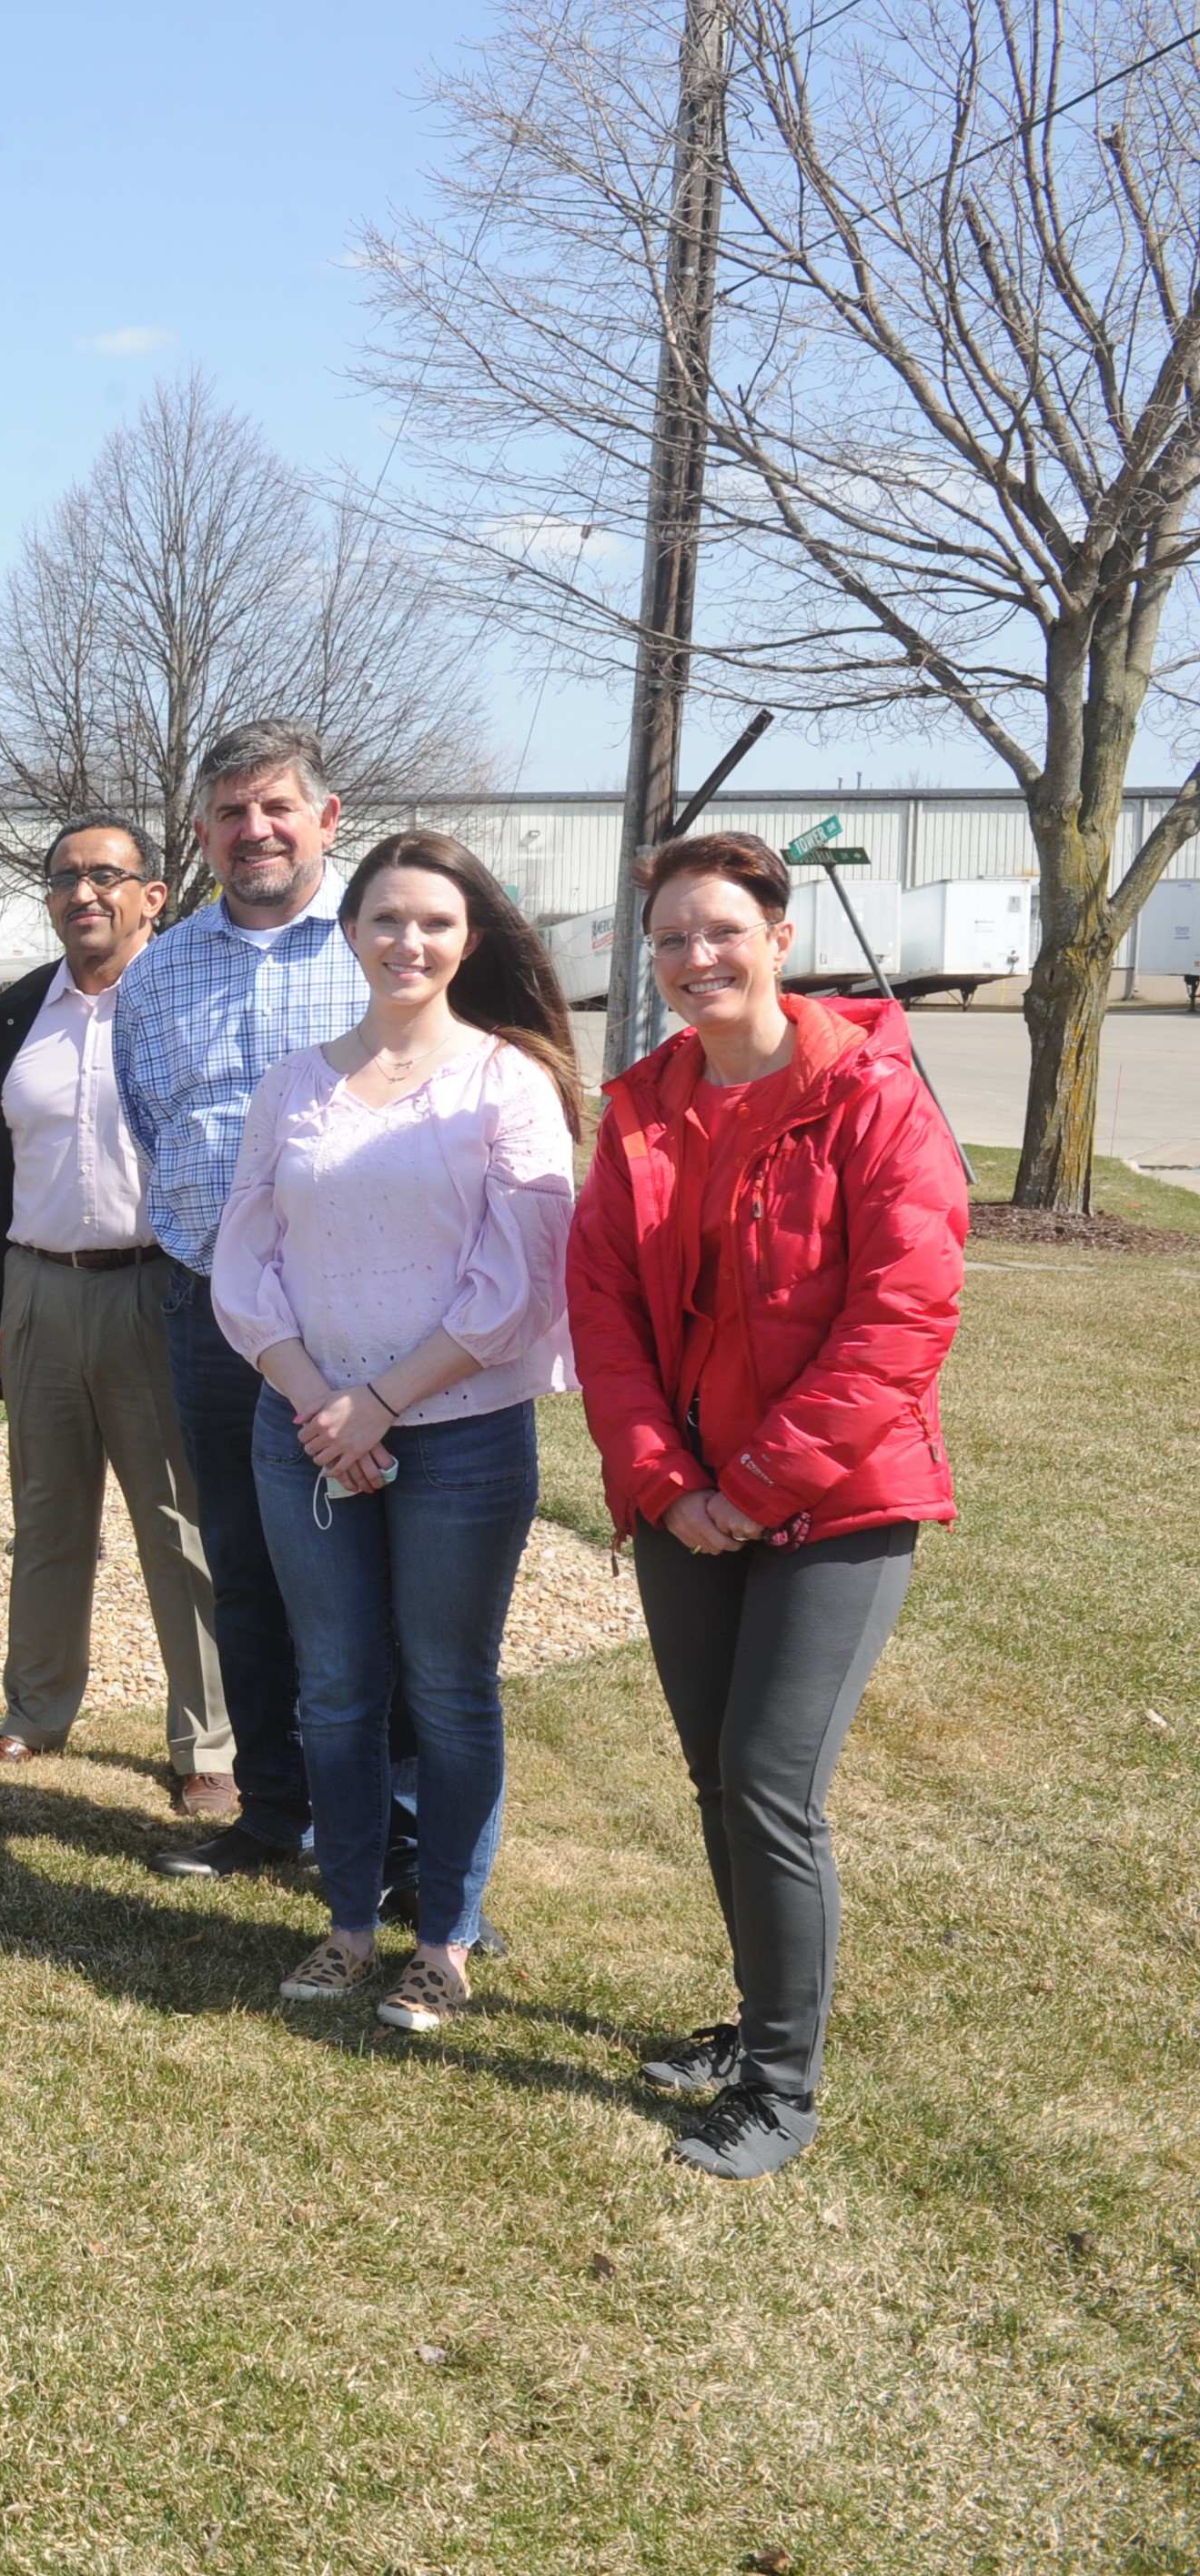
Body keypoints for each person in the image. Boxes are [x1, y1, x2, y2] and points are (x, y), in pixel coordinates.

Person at [567, 830, 965, 2181]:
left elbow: (901, 1315)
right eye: (671, 939)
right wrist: (667, 1484)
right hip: (691, 1512)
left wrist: (755, 1486)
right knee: (716, 1778)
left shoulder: (871, 1094)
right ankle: (752, 2025)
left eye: (719, 932)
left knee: (773, 1788)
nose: (694, 960)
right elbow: (604, 1311)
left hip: (838, 1506)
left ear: (779, 938)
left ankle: (782, 2086)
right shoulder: (640, 1107)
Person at [210, 830, 580, 2035]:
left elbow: (514, 1285)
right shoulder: (293, 1084)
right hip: (305, 1433)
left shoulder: (508, 1084)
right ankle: (349, 1924)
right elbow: (244, 1266)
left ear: (468, 938)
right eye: (386, 919)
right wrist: (321, 1401)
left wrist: (378, 1405)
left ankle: (446, 1941)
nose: (408, 942)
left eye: (433, 921)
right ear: (353, 931)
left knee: (449, 1691)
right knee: (337, 1690)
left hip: (460, 1441)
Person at [114, 719, 422, 1901]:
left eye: (277, 807)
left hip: (365, 1326)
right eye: (232, 812)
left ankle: (399, 1840)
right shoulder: (164, 971)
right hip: (211, 1315)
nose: (256, 830)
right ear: (202, 833)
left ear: (327, 819)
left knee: (378, 1577)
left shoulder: (383, 950)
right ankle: (274, 1809)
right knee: (241, 1568)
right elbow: (158, 1130)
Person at [0, 815, 229, 1802]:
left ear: (151, 894)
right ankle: (32, 1713)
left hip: (154, 1290)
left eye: (106, 875)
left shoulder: (188, 1004)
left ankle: (207, 1748)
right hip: (34, 1288)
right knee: (45, 1515)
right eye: (66, 877)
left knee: (176, 1523)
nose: (84, 893)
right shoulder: (10, 1016)